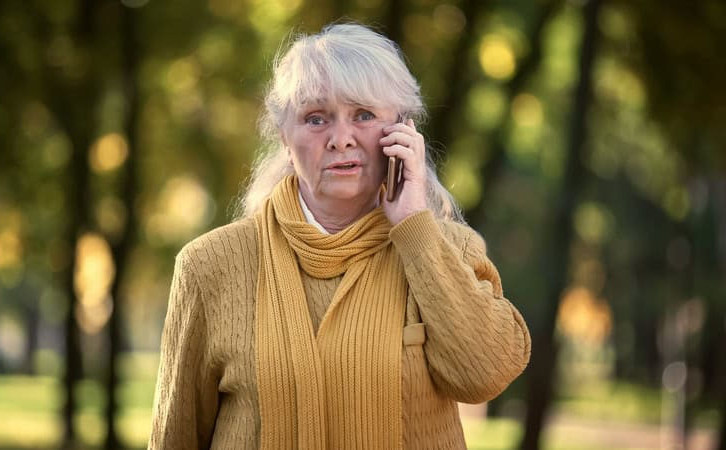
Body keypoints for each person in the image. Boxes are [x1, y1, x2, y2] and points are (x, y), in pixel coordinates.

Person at [148, 22, 530, 450]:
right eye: (316, 119)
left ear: (403, 132)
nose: (341, 140)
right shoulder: (209, 265)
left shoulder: (446, 249)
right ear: (284, 138)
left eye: (363, 115)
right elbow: (174, 439)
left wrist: (414, 230)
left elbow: (487, 376)